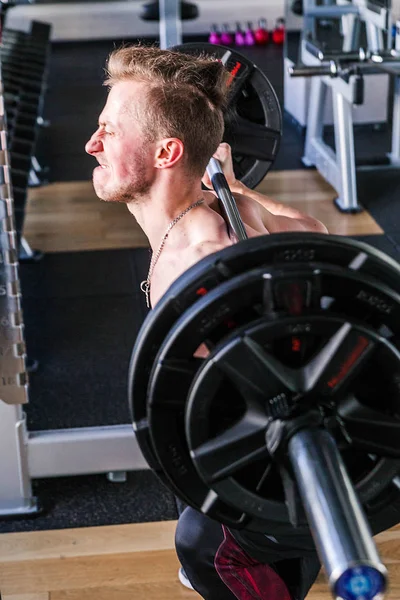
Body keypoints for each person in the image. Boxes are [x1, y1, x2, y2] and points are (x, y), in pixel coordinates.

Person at [84, 44, 333, 600]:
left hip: (259, 490)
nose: (91, 144)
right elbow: (316, 230)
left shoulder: (198, 259)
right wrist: (239, 186)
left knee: (204, 550)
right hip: (257, 467)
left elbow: (273, 389)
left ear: (168, 151)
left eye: (109, 132)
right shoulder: (230, 208)